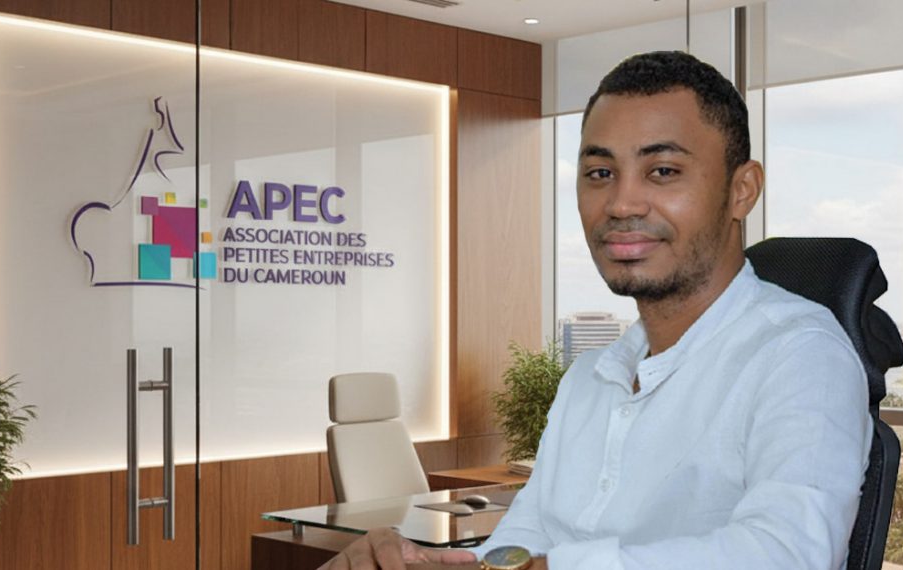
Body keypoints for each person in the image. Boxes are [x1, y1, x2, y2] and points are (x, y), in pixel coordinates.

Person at [319, 51, 871, 570]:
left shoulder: (801, 356)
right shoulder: (588, 378)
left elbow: (787, 553)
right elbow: (524, 540)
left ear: (742, 190)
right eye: (601, 174)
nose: (621, 204)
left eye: (663, 171)